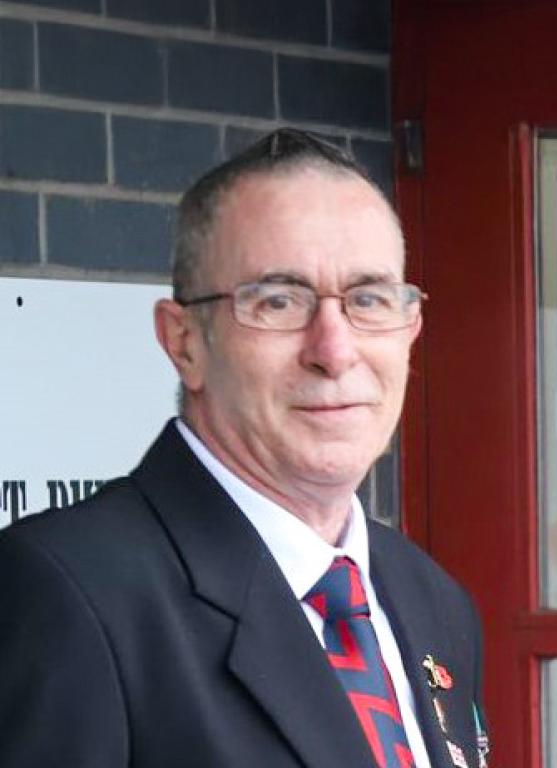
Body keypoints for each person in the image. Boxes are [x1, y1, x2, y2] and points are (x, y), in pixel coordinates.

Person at [0, 129, 489, 768]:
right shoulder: (70, 595)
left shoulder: (433, 601)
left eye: (368, 299)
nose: (335, 349)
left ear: (410, 330)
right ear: (184, 343)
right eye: (279, 301)